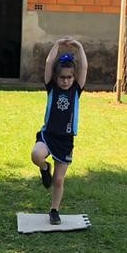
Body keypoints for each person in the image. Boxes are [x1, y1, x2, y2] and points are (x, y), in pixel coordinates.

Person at [31, 38, 87, 225]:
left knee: (58, 180)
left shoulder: (76, 90)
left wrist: (79, 47)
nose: (66, 81)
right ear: (56, 78)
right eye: (62, 77)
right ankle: (44, 168)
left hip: (65, 140)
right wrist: (57, 44)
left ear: (74, 78)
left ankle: (54, 210)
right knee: (36, 155)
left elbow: (84, 68)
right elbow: (48, 64)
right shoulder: (52, 88)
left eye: (69, 77)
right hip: (48, 135)